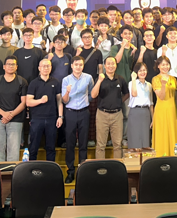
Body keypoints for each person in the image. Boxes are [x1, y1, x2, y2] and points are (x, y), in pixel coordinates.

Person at [0, 55, 28, 162]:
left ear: (17, 67)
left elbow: (24, 102)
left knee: (13, 151)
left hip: (16, 120)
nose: (11, 66)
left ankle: (12, 172)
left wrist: (11, 115)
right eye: (8, 64)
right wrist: (4, 114)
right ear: (4, 66)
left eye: (13, 64)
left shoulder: (22, 82)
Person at [62, 55, 94, 183]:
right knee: (70, 143)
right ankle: (70, 171)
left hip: (84, 112)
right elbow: (64, 100)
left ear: (83, 66)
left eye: (80, 65)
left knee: (83, 143)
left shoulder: (88, 78)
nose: (78, 67)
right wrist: (67, 92)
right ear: (72, 66)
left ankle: (82, 171)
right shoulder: (66, 80)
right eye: (76, 65)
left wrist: (86, 101)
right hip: (70, 112)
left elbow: (91, 94)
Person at [26, 58, 63, 162]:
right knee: (33, 147)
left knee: (51, 147)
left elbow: (59, 100)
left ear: (51, 68)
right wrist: (40, 101)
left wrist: (60, 116)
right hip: (37, 119)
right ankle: (31, 168)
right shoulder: (34, 83)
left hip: (52, 118)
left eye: (48, 66)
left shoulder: (56, 82)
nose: (46, 68)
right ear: (39, 68)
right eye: (43, 66)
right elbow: (28, 102)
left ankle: (50, 169)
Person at [92, 56, 128, 159]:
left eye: (113, 63)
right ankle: (100, 167)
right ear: (104, 65)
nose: (111, 66)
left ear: (116, 65)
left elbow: (126, 94)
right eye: (108, 63)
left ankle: (118, 166)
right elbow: (93, 95)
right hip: (102, 114)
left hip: (117, 115)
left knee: (117, 145)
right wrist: (99, 81)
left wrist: (118, 101)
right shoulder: (100, 79)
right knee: (100, 145)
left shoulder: (120, 79)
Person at [152, 56, 177, 157]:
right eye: (162, 65)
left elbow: (176, 97)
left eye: (167, 64)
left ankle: (175, 157)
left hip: (172, 109)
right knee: (162, 134)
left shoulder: (173, 79)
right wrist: (163, 84)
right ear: (158, 66)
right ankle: (162, 157)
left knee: (173, 133)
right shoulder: (155, 79)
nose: (165, 67)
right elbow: (161, 96)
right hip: (161, 109)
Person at [127, 62, 153, 149]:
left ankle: (145, 157)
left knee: (145, 139)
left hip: (146, 112)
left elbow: (151, 103)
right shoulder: (132, 83)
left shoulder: (149, 85)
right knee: (134, 137)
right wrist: (133, 79)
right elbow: (134, 94)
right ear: (136, 72)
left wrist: (153, 118)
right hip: (135, 112)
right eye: (140, 70)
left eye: (144, 70)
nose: (142, 72)